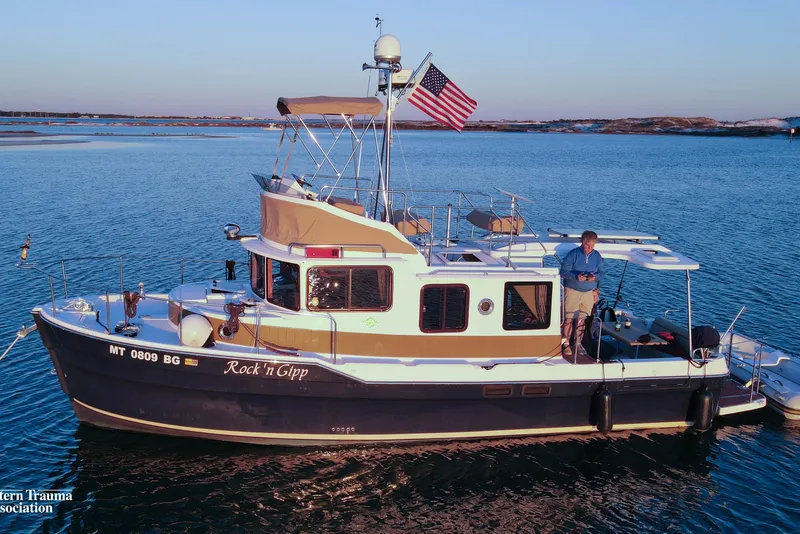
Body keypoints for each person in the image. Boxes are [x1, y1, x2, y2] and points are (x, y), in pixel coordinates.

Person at [560, 230, 603, 356]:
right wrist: (576, 276)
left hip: (588, 292)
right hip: (572, 290)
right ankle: (566, 343)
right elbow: (563, 272)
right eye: (586, 244)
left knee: (582, 319)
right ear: (582, 242)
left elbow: (602, 273)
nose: (588, 248)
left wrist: (594, 277)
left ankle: (578, 344)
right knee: (568, 318)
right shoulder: (572, 254)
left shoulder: (597, 256)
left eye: (591, 245)